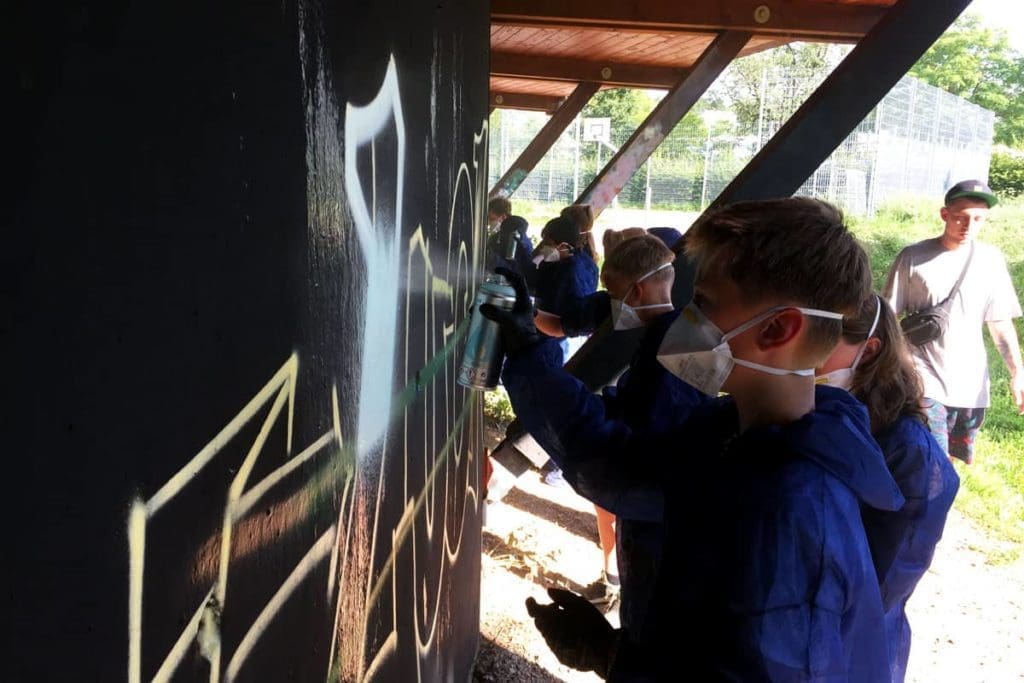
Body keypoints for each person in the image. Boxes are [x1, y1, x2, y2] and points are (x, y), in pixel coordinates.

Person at [483, 197, 902, 680]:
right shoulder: (734, 434)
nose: (685, 320)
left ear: (778, 328)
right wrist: (616, 655)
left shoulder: (792, 507)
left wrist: (616, 659)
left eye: (703, 304)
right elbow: (616, 462)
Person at [818, 295, 959, 682]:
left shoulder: (908, 450)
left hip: (849, 644)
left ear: (868, 351)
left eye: (823, 342)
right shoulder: (821, 408)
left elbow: (887, 580)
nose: (805, 355)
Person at [884, 180, 1024, 464]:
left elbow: (1000, 324)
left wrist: (1017, 372)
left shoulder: (991, 261)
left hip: (970, 383)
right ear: (944, 214)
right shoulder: (913, 257)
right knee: (930, 457)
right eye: (960, 216)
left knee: (951, 461)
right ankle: (926, 505)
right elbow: (888, 316)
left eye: (977, 219)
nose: (967, 225)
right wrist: (893, 366)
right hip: (922, 377)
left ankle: (939, 505)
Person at [485, 196, 534, 280]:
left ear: (503, 217)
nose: (489, 224)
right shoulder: (500, 236)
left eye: (491, 219)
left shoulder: (515, 235)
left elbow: (511, 266)